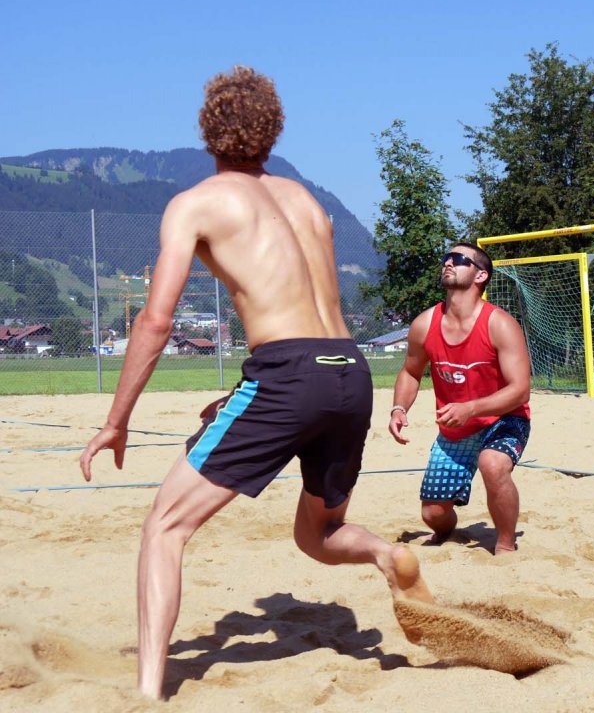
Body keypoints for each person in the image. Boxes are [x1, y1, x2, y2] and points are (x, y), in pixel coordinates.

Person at [79, 66, 431, 700]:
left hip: (290, 374)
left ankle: (147, 691)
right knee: (317, 535)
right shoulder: (305, 199)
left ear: (207, 129)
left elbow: (156, 321)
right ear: (274, 132)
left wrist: (116, 419)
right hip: (349, 373)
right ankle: (388, 555)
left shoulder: (196, 203)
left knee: (164, 528)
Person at [388, 242, 531, 555]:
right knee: (433, 515)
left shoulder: (499, 324)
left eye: (458, 259)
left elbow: (520, 390)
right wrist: (399, 408)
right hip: (456, 427)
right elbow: (411, 372)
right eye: (445, 258)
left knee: (492, 464)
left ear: (480, 275)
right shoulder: (425, 323)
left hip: (504, 418)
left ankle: (506, 547)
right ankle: (449, 532)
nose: (447, 263)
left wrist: (472, 408)